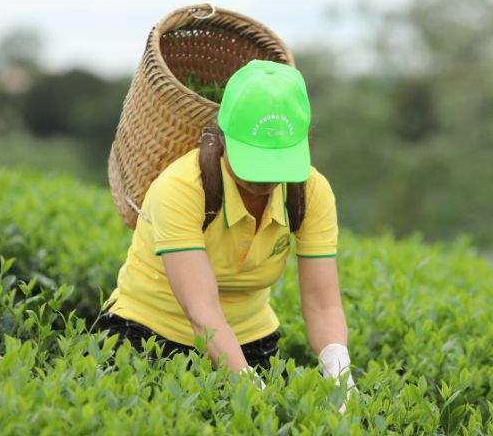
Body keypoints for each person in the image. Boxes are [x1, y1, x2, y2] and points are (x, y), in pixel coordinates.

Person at [101, 59, 356, 402]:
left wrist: (338, 370)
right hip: (147, 335)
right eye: (255, 159)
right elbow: (200, 310)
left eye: (278, 160)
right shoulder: (180, 187)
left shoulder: (310, 190)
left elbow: (323, 304)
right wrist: (247, 387)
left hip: (252, 340)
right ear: (222, 135)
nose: (266, 178)